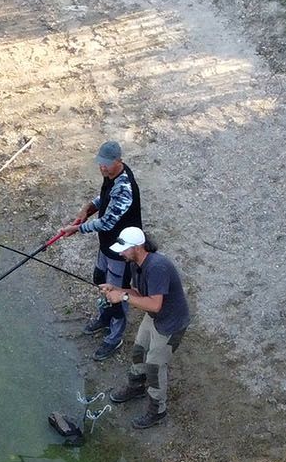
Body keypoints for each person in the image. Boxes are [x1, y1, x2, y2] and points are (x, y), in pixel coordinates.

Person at [46, 140, 143, 361]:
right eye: (101, 163)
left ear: (119, 161)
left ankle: (114, 337)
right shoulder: (111, 176)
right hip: (106, 245)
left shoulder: (125, 188)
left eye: (107, 164)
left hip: (121, 252)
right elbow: (104, 198)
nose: (102, 167)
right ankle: (105, 316)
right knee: (100, 279)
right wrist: (86, 209)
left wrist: (77, 228)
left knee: (118, 293)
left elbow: (107, 223)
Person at [99, 227, 188, 429]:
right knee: (139, 351)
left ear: (138, 247)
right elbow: (139, 292)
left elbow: (155, 303)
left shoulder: (157, 267)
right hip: (154, 317)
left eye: (124, 249)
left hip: (170, 323)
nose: (120, 253)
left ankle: (158, 410)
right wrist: (118, 289)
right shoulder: (136, 263)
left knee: (155, 367)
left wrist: (122, 297)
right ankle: (136, 386)